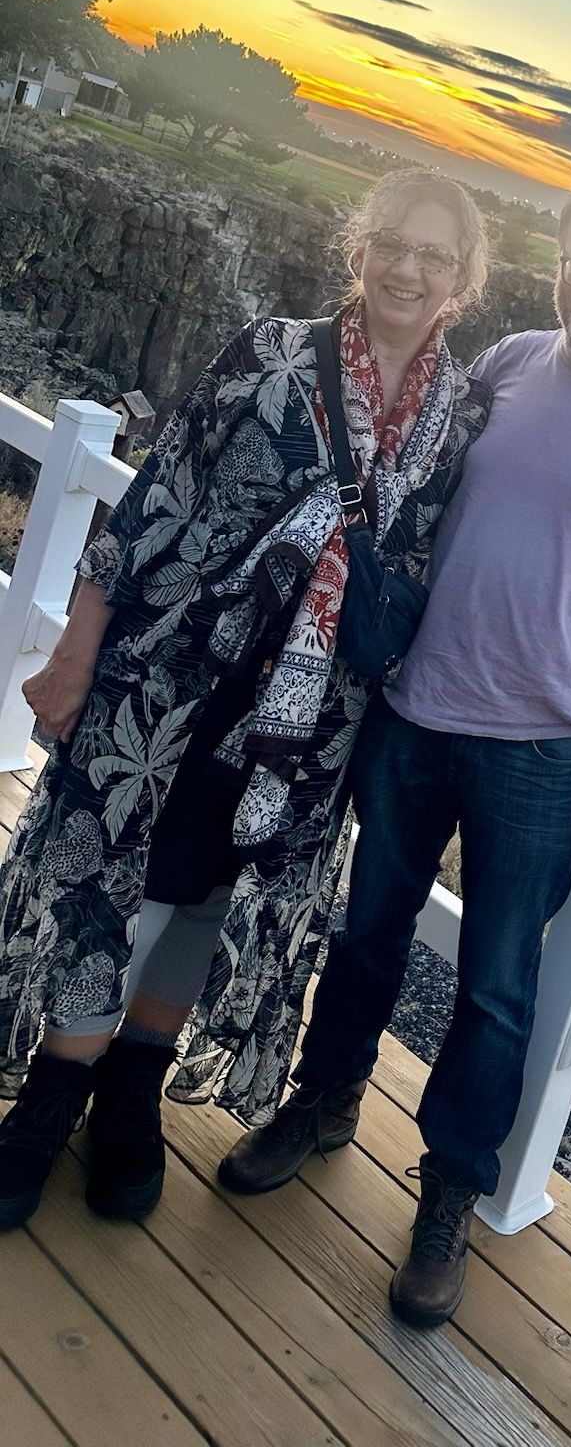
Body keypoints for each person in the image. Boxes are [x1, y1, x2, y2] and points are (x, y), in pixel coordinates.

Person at [221, 174, 571, 1329]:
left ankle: (450, 1191)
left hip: (545, 750)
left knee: (497, 987)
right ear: (557, 262)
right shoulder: (505, 364)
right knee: (367, 928)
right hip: (415, 708)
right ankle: (323, 1100)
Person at [0, 168, 493, 1230]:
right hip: (170, 674)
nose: (408, 268)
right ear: (358, 248)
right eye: (393, 242)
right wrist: (77, 652)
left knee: (216, 891)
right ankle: (53, 1093)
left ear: (462, 280)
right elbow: (154, 500)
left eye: (435, 255)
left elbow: (454, 566)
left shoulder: (461, 422)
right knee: (107, 871)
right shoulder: (269, 353)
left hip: (312, 719)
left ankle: (133, 1085)